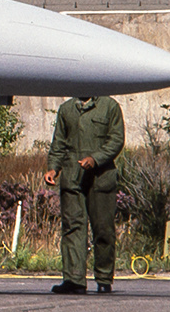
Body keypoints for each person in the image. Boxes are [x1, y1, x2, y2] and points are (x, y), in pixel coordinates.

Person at [45, 95, 125, 294]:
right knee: (72, 227)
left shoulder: (109, 106)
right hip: (72, 176)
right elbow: (59, 143)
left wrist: (95, 159)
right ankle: (74, 280)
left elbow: (116, 140)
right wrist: (53, 169)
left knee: (103, 229)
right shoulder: (66, 109)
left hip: (101, 177)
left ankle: (104, 278)